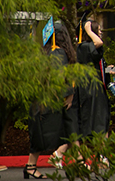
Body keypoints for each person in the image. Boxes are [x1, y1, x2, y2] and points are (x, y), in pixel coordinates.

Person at [25, 21, 77, 179]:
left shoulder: (44, 51)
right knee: (66, 132)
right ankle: (73, 164)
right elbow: (59, 77)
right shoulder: (59, 52)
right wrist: (69, 94)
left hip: (39, 100)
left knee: (41, 135)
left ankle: (31, 166)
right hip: (49, 101)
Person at [76, 16, 112, 140]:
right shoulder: (83, 47)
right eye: (99, 30)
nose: (101, 32)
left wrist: (107, 69)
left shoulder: (88, 47)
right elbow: (98, 43)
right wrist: (89, 30)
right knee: (98, 123)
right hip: (91, 92)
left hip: (97, 90)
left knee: (102, 121)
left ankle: (102, 155)